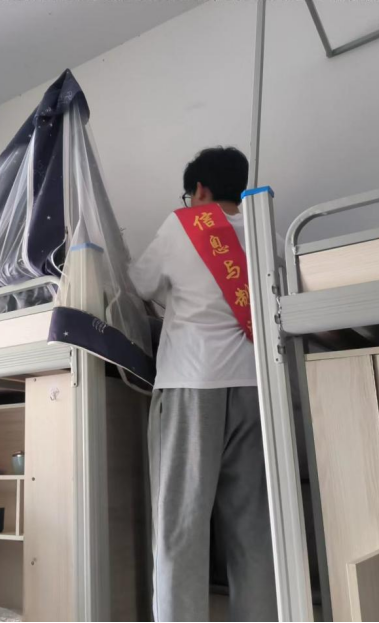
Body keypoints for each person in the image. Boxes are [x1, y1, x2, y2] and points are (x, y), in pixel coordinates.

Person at [130, 147, 277, 622]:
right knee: (254, 532)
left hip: (193, 387)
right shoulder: (264, 232)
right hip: (256, 391)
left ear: (200, 190)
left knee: (180, 530)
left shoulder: (183, 226)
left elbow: (139, 284)